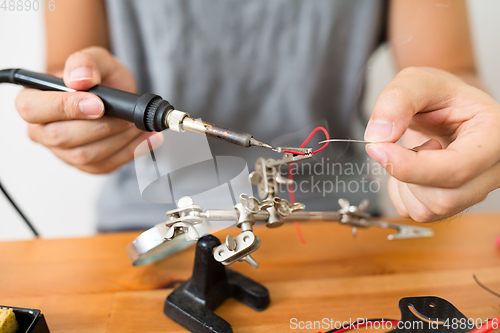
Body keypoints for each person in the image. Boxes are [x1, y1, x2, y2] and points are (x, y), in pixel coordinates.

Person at [14, 0, 500, 230]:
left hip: (339, 227)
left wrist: (464, 134)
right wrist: (77, 112)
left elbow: (453, 78)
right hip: (149, 227)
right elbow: (66, 74)